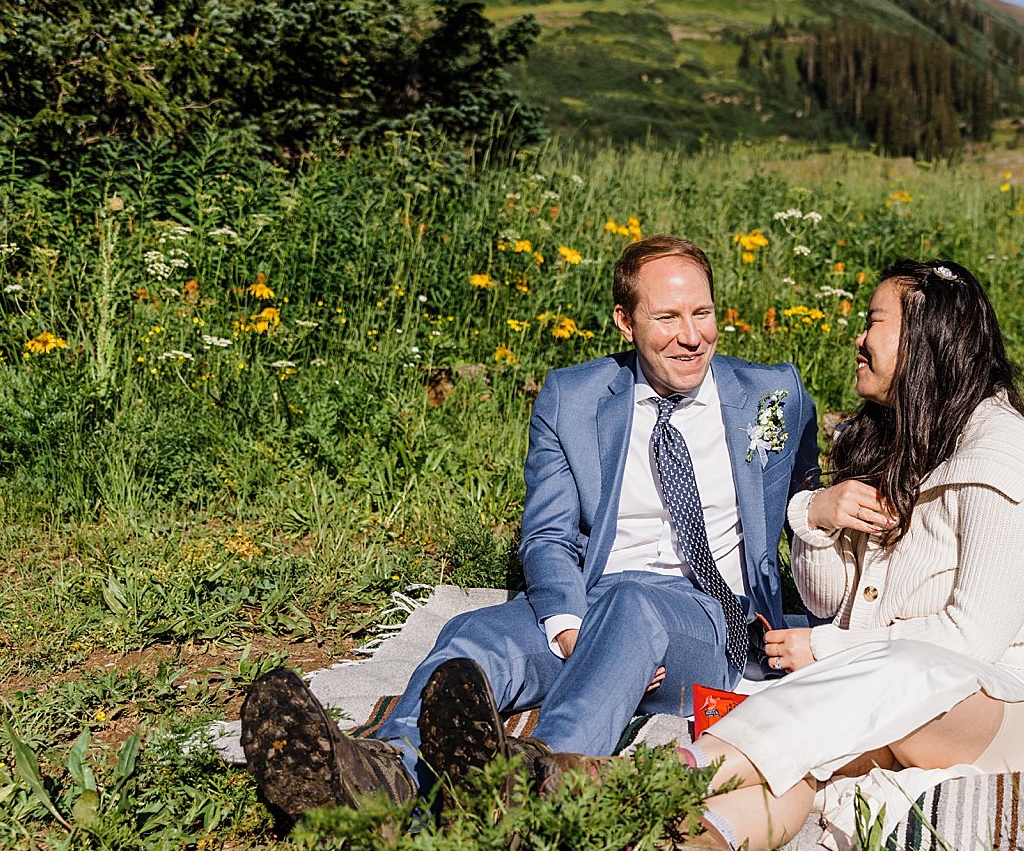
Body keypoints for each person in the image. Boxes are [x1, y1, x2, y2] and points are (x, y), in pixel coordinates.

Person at [239, 235, 820, 817]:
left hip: (705, 619)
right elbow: (548, 534)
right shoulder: (573, 397)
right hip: (596, 600)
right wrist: (570, 629)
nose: (691, 336)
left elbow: (809, 512)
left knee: (635, 608)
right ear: (625, 322)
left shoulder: (774, 394)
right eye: (666, 316)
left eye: (702, 312)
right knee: (475, 635)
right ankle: (385, 776)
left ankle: (533, 785)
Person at [672, 258, 1024, 851]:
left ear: (924, 339)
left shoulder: (1006, 454)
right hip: (882, 691)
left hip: (1003, 708)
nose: (858, 338)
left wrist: (829, 650)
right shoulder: (892, 435)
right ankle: (693, 842)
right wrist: (816, 516)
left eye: (874, 323)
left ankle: (667, 774)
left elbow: (971, 642)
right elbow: (831, 599)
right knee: (803, 761)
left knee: (896, 671)